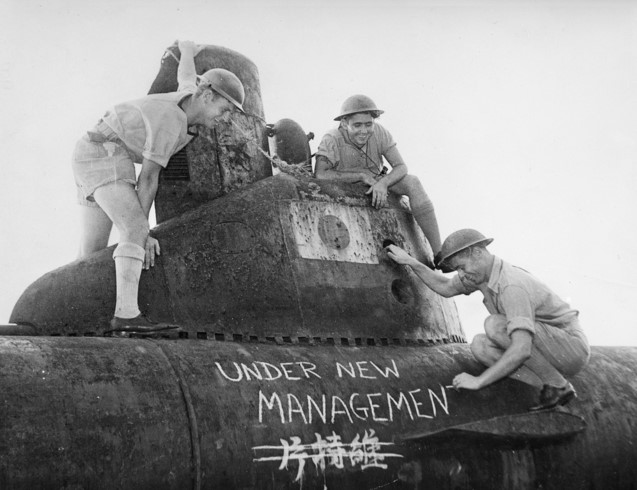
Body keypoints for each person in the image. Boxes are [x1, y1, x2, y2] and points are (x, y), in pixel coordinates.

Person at [72, 40, 245, 332]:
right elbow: (149, 178)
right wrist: (142, 230)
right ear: (206, 96)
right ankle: (127, 316)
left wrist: (188, 51)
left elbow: (186, 76)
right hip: (107, 154)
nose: (225, 119)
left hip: (91, 150)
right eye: (224, 109)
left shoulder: (189, 96)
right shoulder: (172, 121)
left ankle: (78, 319)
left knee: (91, 251)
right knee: (135, 229)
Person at [386, 229, 590, 411]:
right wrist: (411, 262)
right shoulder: (481, 276)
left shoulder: (511, 285)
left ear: (477, 253)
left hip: (570, 346)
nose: (461, 274)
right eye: (458, 270)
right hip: (549, 346)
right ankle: (545, 386)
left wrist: (479, 381)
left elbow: (522, 348)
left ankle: (558, 385)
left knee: (494, 325)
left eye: (462, 267)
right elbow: (446, 288)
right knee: (480, 345)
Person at [314, 94, 441, 258]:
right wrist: (360, 175)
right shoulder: (331, 139)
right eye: (357, 125)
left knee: (413, 182)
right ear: (344, 123)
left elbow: (401, 167)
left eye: (368, 124)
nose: (364, 131)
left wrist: (383, 184)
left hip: (376, 180)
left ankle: (439, 252)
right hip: (346, 186)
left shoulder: (380, 132)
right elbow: (320, 174)